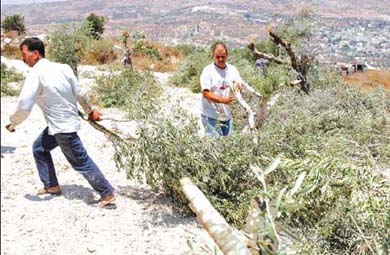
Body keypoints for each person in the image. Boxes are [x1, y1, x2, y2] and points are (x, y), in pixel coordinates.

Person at [5, 37, 115, 207]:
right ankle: (52, 186)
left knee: (81, 161)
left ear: (35, 54)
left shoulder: (36, 73)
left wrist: (13, 124)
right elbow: (80, 92)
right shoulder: (63, 68)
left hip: (63, 128)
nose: (22, 58)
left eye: (24, 54)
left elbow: (24, 106)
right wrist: (89, 110)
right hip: (59, 125)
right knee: (39, 148)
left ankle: (107, 193)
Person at [200, 42, 241, 137]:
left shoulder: (232, 70)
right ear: (213, 56)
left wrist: (238, 89)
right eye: (217, 57)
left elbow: (237, 85)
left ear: (227, 56)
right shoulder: (208, 71)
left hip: (227, 116)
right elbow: (206, 93)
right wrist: (223, 100)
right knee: (216, 146)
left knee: (228, 145)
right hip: (210, 115)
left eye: (223, 56)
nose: (220, 59)